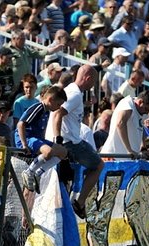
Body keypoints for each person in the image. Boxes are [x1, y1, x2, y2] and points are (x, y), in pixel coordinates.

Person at [51, 65, 104, 219]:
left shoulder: (70, 91)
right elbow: (57, 114)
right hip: (70, 143)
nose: (93, 86)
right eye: (93, 82)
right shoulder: (74, 94)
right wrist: (58, 140)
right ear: (87, 78)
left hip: (71, 141)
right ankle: (80, 202)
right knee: (99, 165)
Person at [16, 86, 68, 193]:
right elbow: (21, 124)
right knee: (48, 152)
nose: (59, 108)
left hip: (37, 139)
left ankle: (38, 173)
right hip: (27, 138)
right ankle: (29, 172)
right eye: (58, 104)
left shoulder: (47, 111)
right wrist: (24, 144)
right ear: (50, 100)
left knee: (63, 152)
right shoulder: (38, 107)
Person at [100, 90, 149, 157]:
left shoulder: (142, 112)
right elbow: (120, 123)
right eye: (146, 109)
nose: (147, 112)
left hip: (127, 159)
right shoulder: (128, 103)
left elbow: (141, 127)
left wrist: (143, 147)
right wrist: (129, 150)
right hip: (114, 157)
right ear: (140, 102)